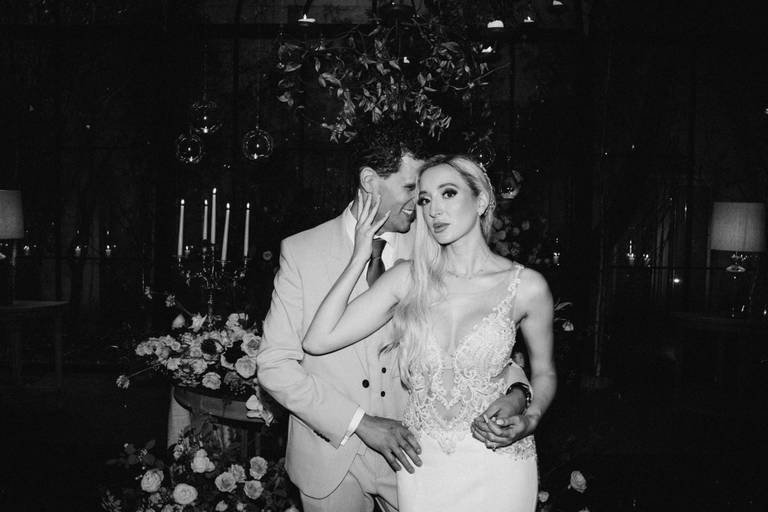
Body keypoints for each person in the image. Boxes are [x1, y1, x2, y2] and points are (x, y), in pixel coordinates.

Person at [256, 128, 532, 512]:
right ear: (370, 181)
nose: (421, 202)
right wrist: (359, 422)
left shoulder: (437, 243)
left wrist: (518, 393)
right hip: (329, 458)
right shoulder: (302, 252)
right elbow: (274, 365)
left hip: (419, 457)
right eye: (411, 188)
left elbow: (487, 340)